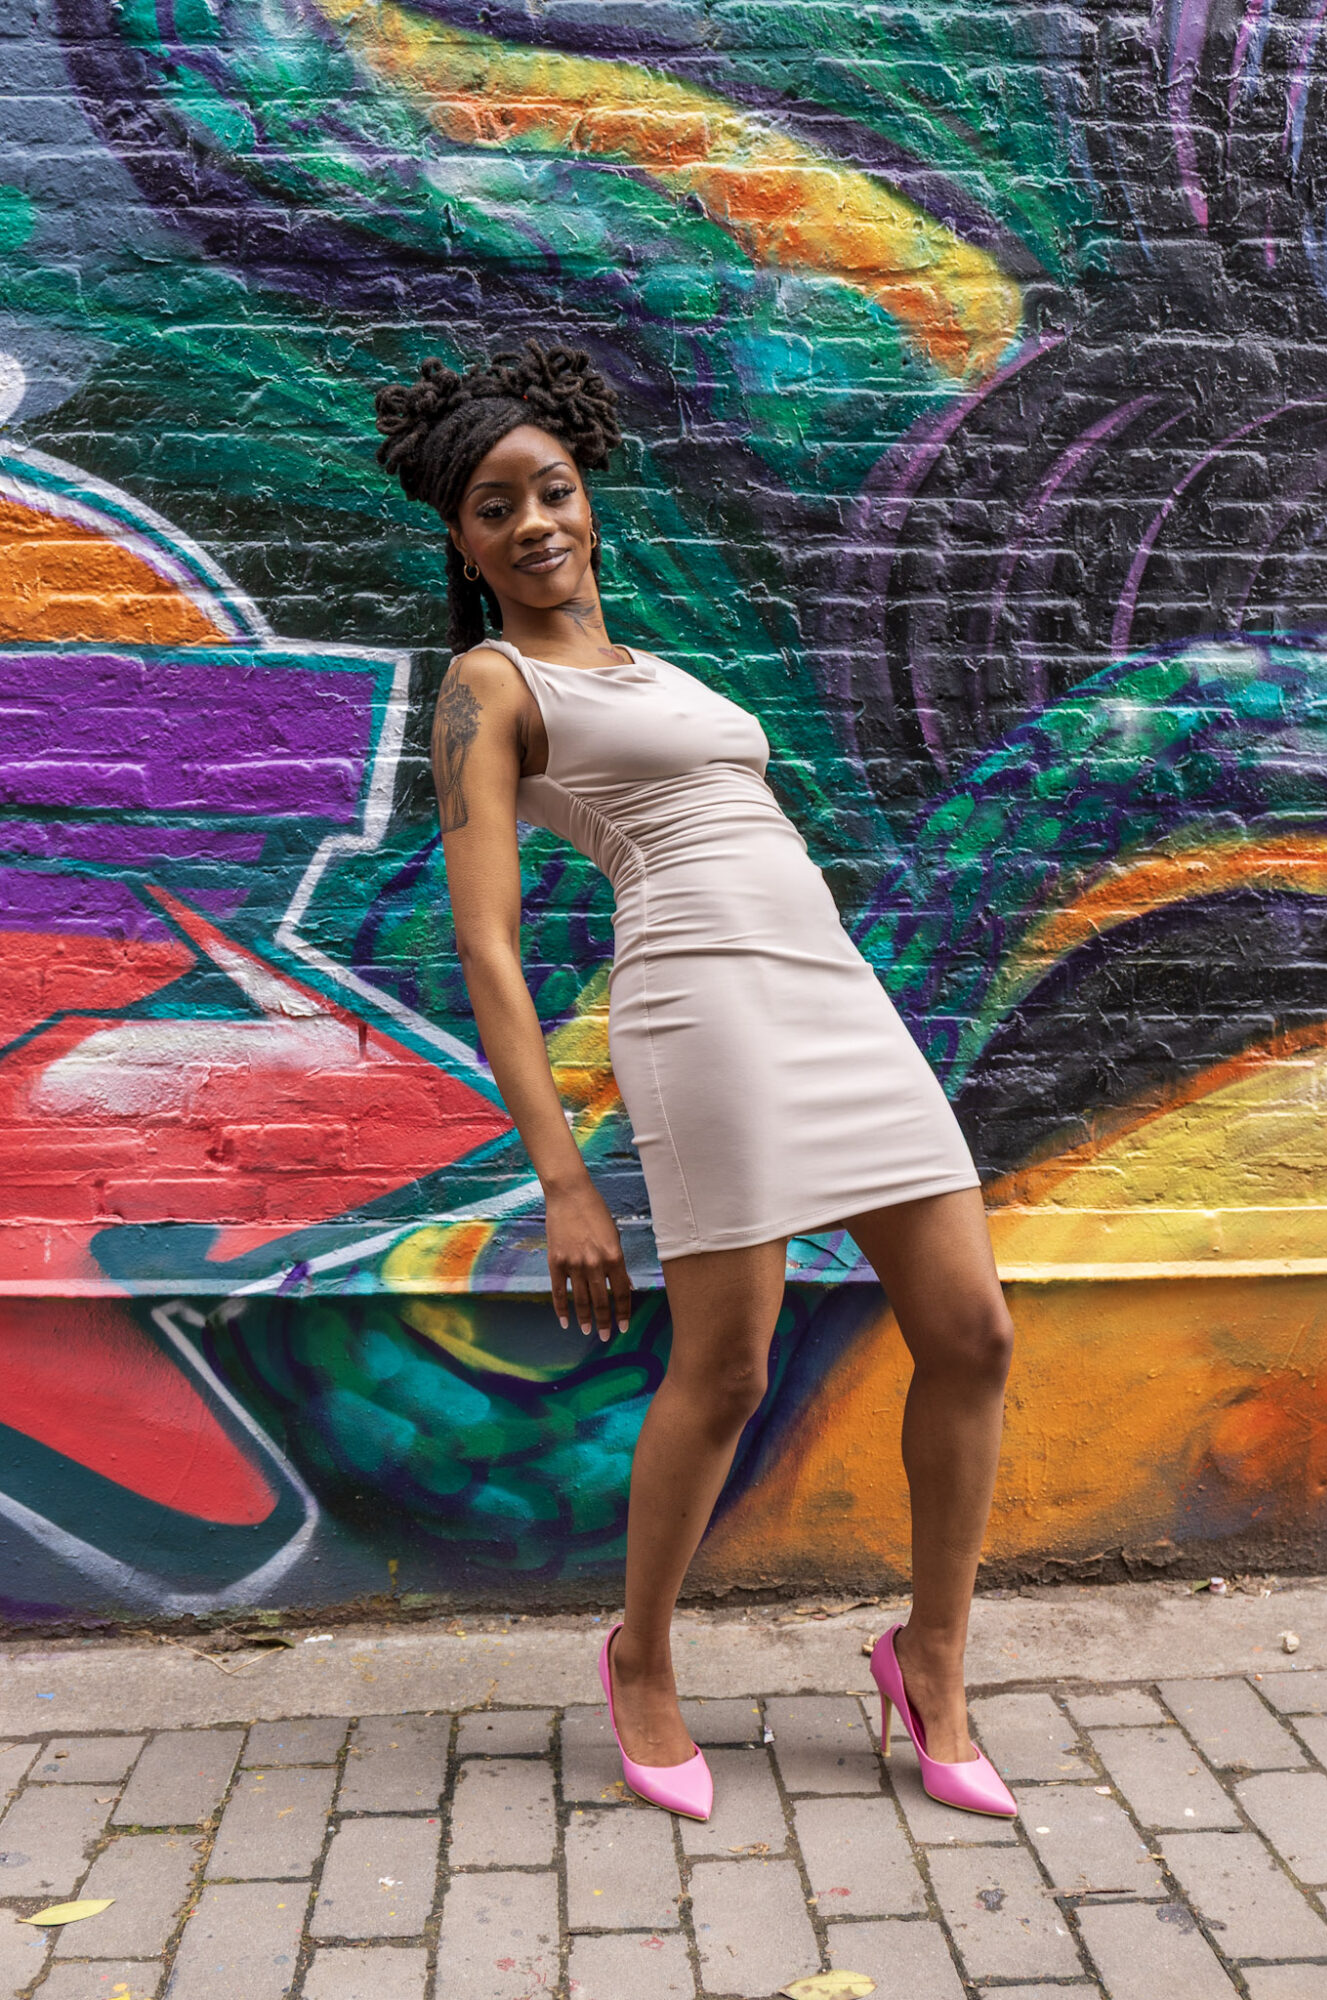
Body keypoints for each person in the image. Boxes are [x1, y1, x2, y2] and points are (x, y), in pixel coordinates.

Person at [373, 339, 1017, 1823]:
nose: (533, 523)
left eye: (551, 490)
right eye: (493, 507)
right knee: (725, 1369)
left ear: (586, 493)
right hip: (702, 1011)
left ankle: (929, 1658)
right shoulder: (490, 683)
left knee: (971, 1329)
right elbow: (485, 948)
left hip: (833, 997)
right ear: (459, 538)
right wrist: (560, 1175)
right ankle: (643, 1659)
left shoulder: (659, 670)